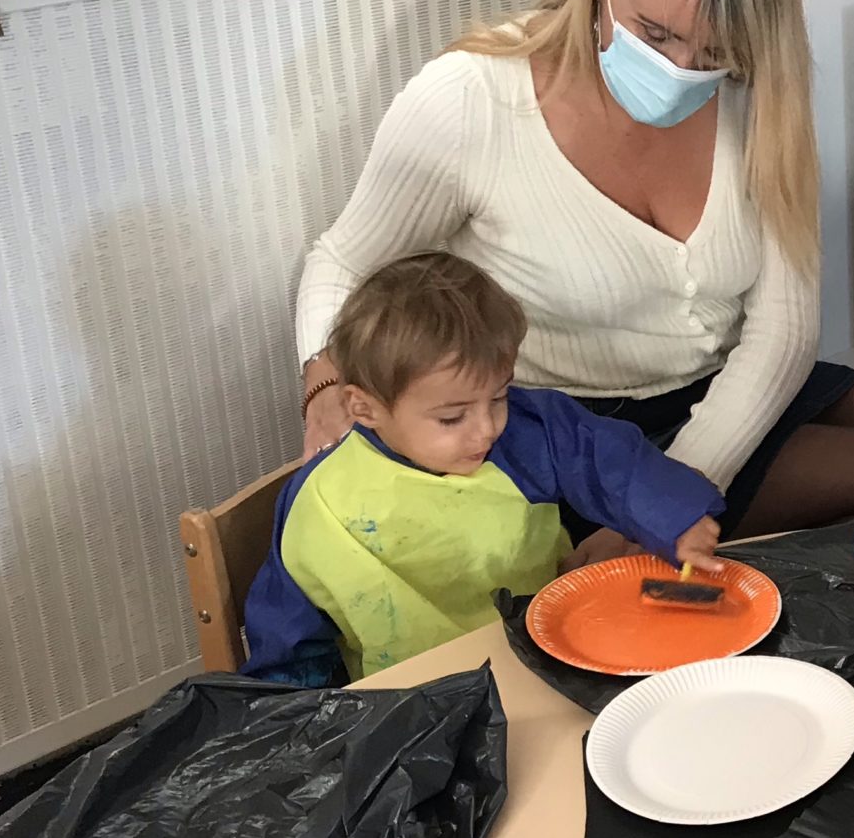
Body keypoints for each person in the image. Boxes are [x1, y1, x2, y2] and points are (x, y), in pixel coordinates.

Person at [293, 0, 854, 539]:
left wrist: (672, 496)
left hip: (735, 393)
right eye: (656, 34)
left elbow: (783, 330)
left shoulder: (761, 90)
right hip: (567, 439)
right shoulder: (472, 98)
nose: (681, 70)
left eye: (714, 53)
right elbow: (343, 260)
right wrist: (323, 384)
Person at [245, 254, 728, 685]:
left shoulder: (524, 433)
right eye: (452, 417)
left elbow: (607, 459)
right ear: (364, 408)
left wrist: (675, 516)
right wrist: (288, 718)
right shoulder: (321, 504)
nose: (487, 429)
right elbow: (288, 636)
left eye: (498, 397)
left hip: (547, 662)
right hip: (412, 708)